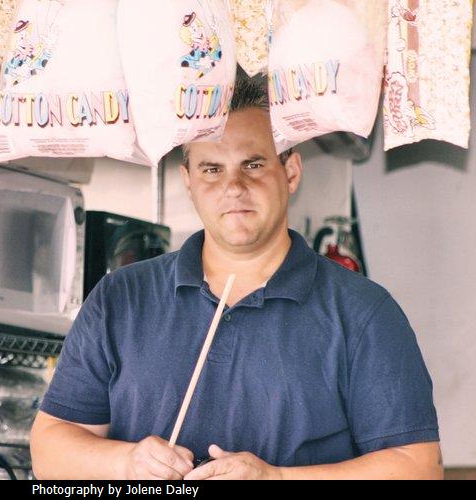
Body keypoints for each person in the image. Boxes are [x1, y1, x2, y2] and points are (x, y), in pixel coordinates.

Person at [30, 76, 442, 480]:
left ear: (291, 173)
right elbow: (50, 450)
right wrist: (127, 464)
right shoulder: (120, 297)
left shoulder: (364, 311)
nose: (233, 187)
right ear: (189, 181)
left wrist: (277, 479)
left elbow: (417, 466)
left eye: (253, 164)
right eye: (212, 169)